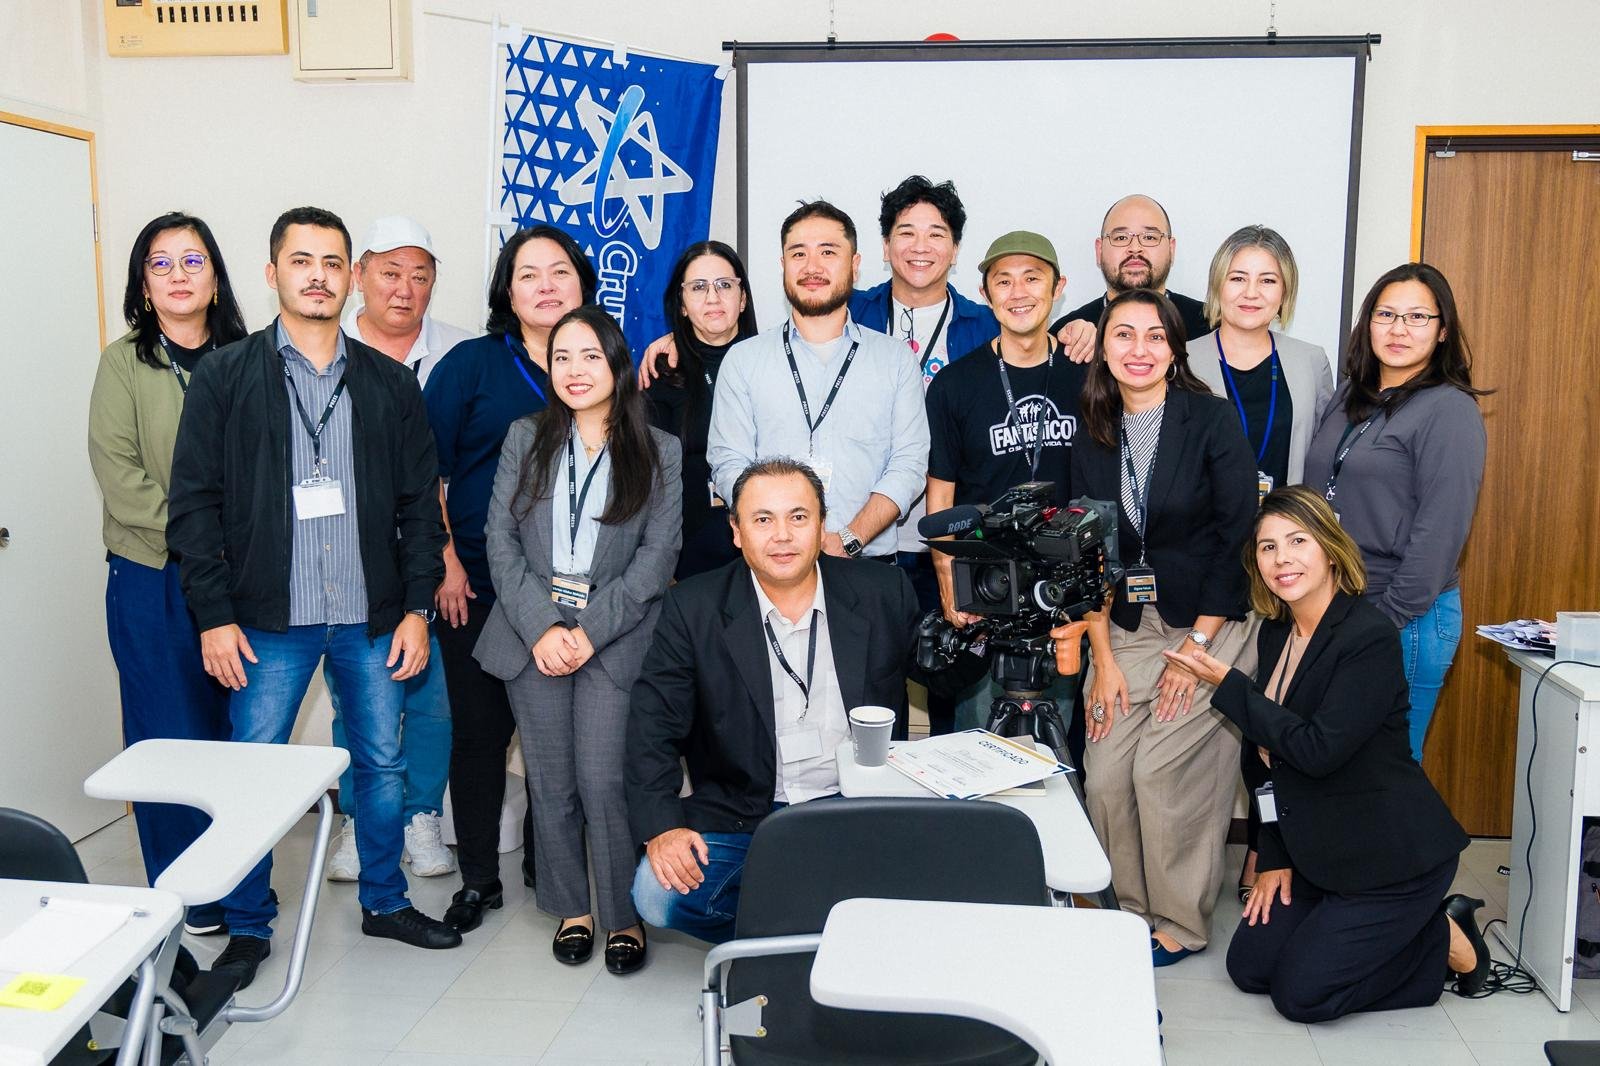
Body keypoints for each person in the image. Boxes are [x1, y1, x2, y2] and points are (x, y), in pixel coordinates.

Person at [168, 206, 460, 989]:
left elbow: (415, 512)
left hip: (371, 615)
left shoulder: (391, 385)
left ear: (350, 275)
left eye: (333, 261)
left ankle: (385, 900)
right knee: (253, 771)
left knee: (382, 763)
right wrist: (214, 615)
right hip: (267, 620)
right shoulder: (226, 378)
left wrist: (417, 609)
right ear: (273, 275)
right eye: (303, 261)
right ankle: (247, 925)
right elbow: (192, 504)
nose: (319, 276)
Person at [1161, 485, 1488, 1021]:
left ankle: (1438, 940)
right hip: (1323, 854)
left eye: (1297, 540)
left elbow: (1316, 752)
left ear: (1330, 549)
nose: (1281, 558)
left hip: (1391, 861)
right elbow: (1261, 763)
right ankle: (1362, 930)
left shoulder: (1367, 636)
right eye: (1267, 547)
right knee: (1250, 968)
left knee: (1301, 996)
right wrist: (1274, 857)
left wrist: (1231, 687)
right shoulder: (1275, 635)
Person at [626, 458, 921, 944]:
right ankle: (834, 926)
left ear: (822, 524)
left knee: (940, 877)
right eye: (763, 519)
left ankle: (788, 932)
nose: (782, 535)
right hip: (746, 818)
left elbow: (946, 678)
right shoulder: (693, 608)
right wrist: (663, 828)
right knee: (655, 895)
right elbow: (651, 728)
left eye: (798, 517)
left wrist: (967, 632)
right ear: (737, 532)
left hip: (856, 806)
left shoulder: (881, 592)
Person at [473, 306, 681, 974]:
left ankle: (623, 915)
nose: (575, 370)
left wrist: (586, 632)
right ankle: (573, 910)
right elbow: (498, 541)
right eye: (562, 357)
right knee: (552, 783)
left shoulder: (660, 450)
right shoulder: (524, 438)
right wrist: (541, 627)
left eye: (591, 356)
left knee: (603, 781)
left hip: (612, 638)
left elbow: (658, 558)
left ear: (616, 364)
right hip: (531, 630)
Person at [1072, 288, 1258, 966]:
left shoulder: (1210, 421)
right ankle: (1127, 911)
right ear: (1104, 347)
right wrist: (1103, 659)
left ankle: (1179, 919)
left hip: (1211, 622)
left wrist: (1196, 649)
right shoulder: (1092, 427)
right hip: (1122, 624)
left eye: (1155, 336)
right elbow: (1085, 550)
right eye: (1123, 335)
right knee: (1105, 775)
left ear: (1176, 348)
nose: (1139, 350)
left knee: (1158, 771)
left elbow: (1239, 539)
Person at [421, 225, 597, 933]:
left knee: (566, 741)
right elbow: (425, 477)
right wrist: (447, 563)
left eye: (560, 271)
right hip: (480, 590)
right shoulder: (469, 366)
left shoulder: (595, 364)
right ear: (507, 290)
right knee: (479, 736)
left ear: (583, 284)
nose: (547, 285)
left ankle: (550, 870)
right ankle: (479, 880)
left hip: (572, 598)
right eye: (530, 274)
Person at [88, 211, 249, 936]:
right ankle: (185, 893)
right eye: (161, 263)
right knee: (168, 735)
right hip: (153, 577)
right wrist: (204, 537)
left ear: (216, 277)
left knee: (235, 732)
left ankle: (237, 880)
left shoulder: (250, 360)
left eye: (193, 261)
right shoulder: (124, 363)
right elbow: (119, 475)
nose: (179, 275)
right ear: (142, 284)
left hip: (243, 580)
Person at [1186, 224, 1334, 905]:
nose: (1252, 292)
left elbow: (1319, 466)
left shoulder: (1308, 362)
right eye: (1239, 277)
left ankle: (1267, 845)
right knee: (1229, 704)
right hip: (1214, 552)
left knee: (1277, 706)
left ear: (1286, 291)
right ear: (1217, 285)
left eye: (1267, 279)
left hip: (1285, 559)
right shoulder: (1182, 356)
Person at [325, 215, 473, 883]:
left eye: (421, 276)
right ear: (360, 275)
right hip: (342, 559)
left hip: (432, 552)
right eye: (390, 273)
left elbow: (455, 466)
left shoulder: (459, 354)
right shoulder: (319, 350)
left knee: (430, 694)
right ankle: (362, 820)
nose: (405, 289)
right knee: (356, 692)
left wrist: (444, 555)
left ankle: (420, 819)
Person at [1303, 263, 1487, 762]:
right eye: (1386, 314)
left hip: (1403, 616)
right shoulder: (1348, 395)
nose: (1399, 329)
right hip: (1335, 605)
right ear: (1367, 323)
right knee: (1337, 768)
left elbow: (1440, 534)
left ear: (1443, 330)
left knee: (1383, 773)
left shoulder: (1449, 410)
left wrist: (1383, 623)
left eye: (1417, 317)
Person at [706, 200, 929, 574]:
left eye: (828, 251)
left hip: (869, 566)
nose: (812, 267)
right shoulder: (743, 361)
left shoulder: (895, 360)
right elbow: (729, 465)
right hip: (771, 568)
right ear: (783, 266)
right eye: (798, 253)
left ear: (855, 265)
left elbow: (909, 465)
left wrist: (850, 537)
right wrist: (782, 534)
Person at [924, 230, 1089, 731]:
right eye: (1004, 281)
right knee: (979, 744)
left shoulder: (1089, 375)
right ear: (985, 293)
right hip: (985, 586)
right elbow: (941, 494)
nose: (1019, 293)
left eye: (1032, 278)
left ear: (1058, 287)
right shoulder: (955, 384)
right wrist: (947, 579)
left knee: (1055, 743)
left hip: (1063, 587)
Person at [646, 240, 757, 580]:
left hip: (765, 549)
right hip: (688, 560)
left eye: (725, 285)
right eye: (698, 287)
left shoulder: (772, 363)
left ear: (742, 299)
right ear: (681, 304)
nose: (712, 297)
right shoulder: (662, 372)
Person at [1049, 195, 1210, 344]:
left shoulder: (1209, 325)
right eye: (1121, 238)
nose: (1135, 248)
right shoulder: (1069, 338)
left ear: (1171, 248)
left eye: (1149, 237)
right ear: (1099, 250)